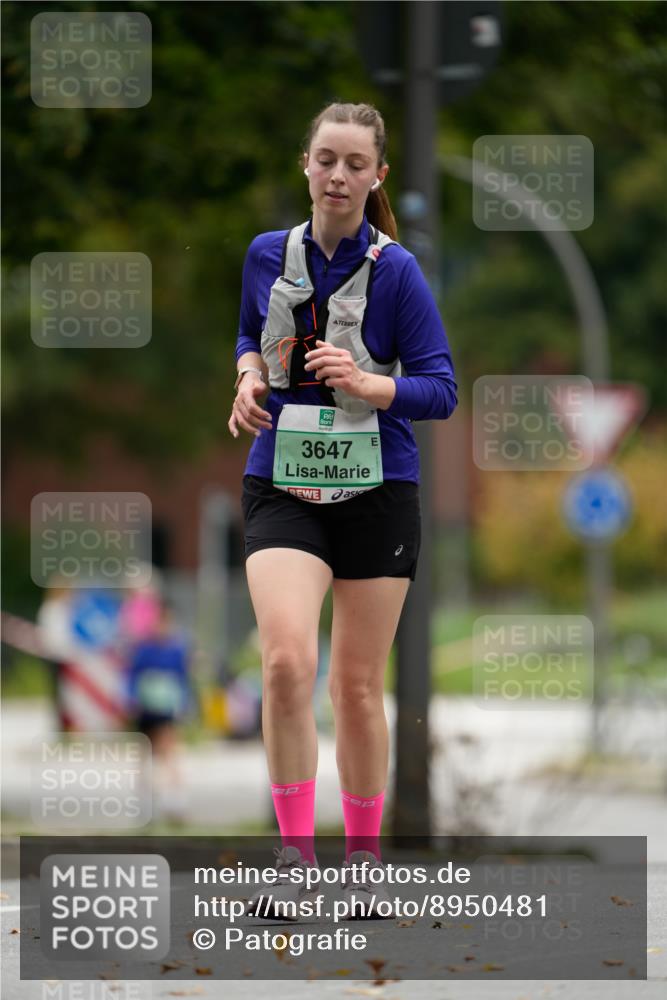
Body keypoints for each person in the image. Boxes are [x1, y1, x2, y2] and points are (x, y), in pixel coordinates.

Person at [228, 101, 457, 918]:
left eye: (355, 164)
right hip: (283, 483)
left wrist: (367, 384)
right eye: (326, 159)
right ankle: (294, 862)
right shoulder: (267, 254)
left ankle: (364, 868)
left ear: (377, 176)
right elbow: (249, 338)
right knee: (286, 662)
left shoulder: (396, 272)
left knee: (355, 687)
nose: (338, 176)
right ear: (305, 164)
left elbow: (441, 390)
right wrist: (249, 379)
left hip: (375, 491)